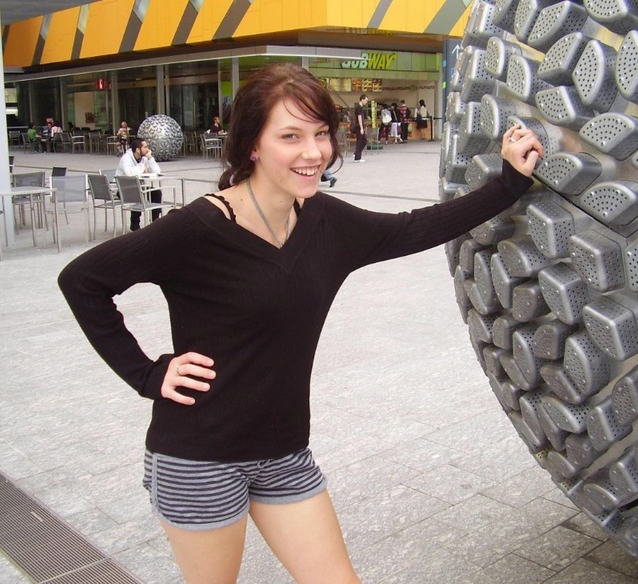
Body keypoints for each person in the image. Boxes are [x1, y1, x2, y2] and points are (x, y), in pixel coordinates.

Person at [57, 63, 542, 584]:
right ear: (252, 145)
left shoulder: (325, 222)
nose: (313, 152)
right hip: (200, 457)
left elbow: (412, 228)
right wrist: (147, 375)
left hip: (283, 452)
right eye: (290, 136)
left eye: (320, 134)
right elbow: (83, 281)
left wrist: (509, 183)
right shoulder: (199, 228)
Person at [116, 138, 163, 231]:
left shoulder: (144, 158)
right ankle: (135, 224)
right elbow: (129, 173)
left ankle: (155, 222)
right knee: (138, 194)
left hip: (138, 187)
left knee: (156, 193)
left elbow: (157, 171)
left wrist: (150, 158)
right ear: (138, 149)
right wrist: (142, 167)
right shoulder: (126, 158)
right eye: (145, 147)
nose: (148, 149)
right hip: (123, 189)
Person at [353, 93, 369, 162]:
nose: (366, 102)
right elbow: (359, 118)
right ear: (362, 99)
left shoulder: (360, 107)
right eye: (366, 100)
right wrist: (361, 128)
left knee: (364, 141)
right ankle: (357, 157)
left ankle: (356, 153)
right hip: (359, 127)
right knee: (359, 141)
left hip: (361, 126)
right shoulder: (359, 107)